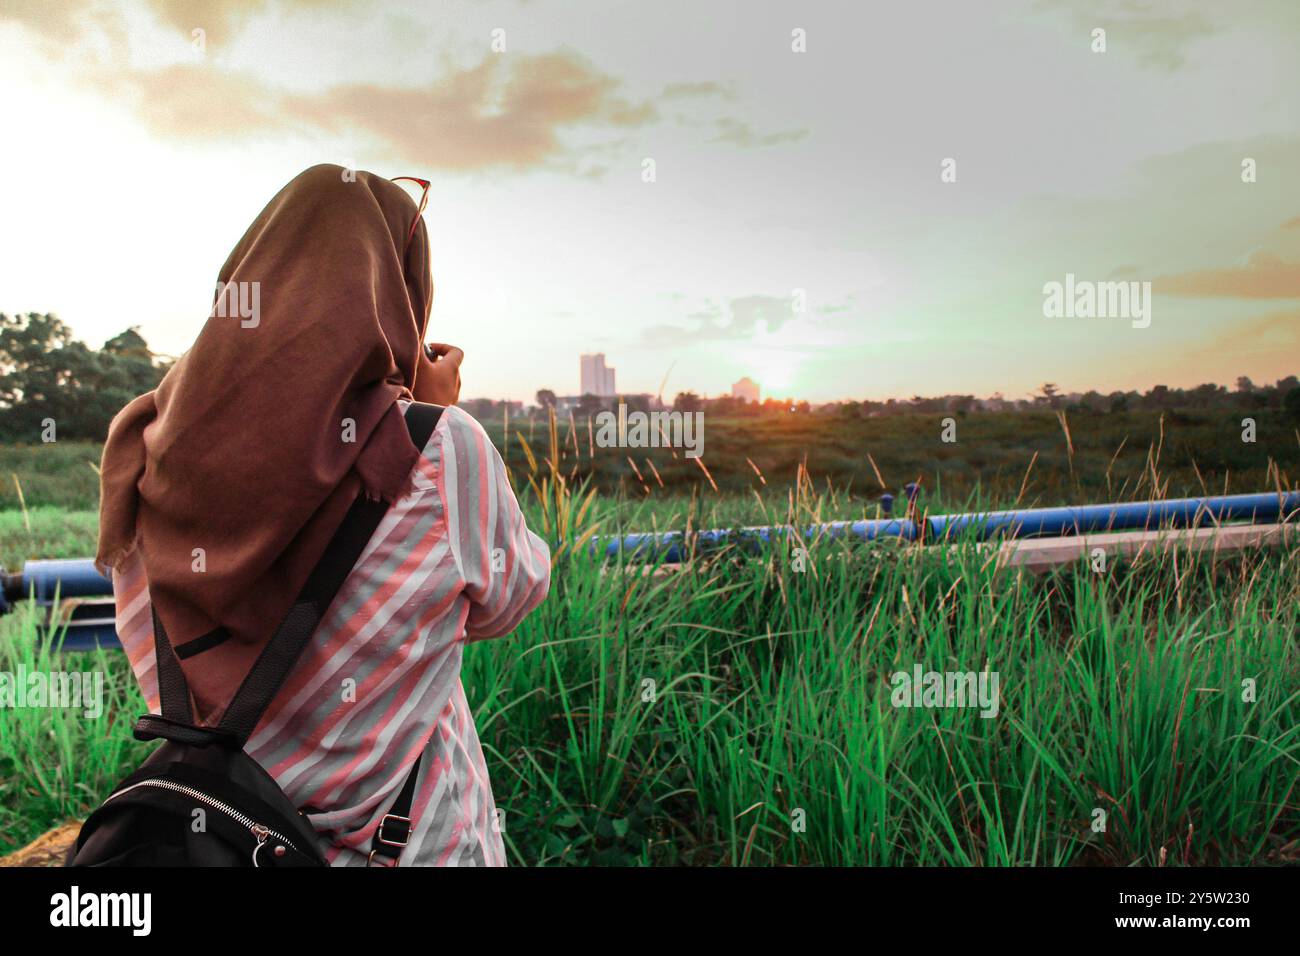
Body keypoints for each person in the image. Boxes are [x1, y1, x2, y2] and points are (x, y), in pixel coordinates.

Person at [95, 164, 551, 866]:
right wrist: (431, 413)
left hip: (212, 839)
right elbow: (505, 602)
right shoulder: (440, 449)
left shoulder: (143, 449)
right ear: (402, 294)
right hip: (404, 846)